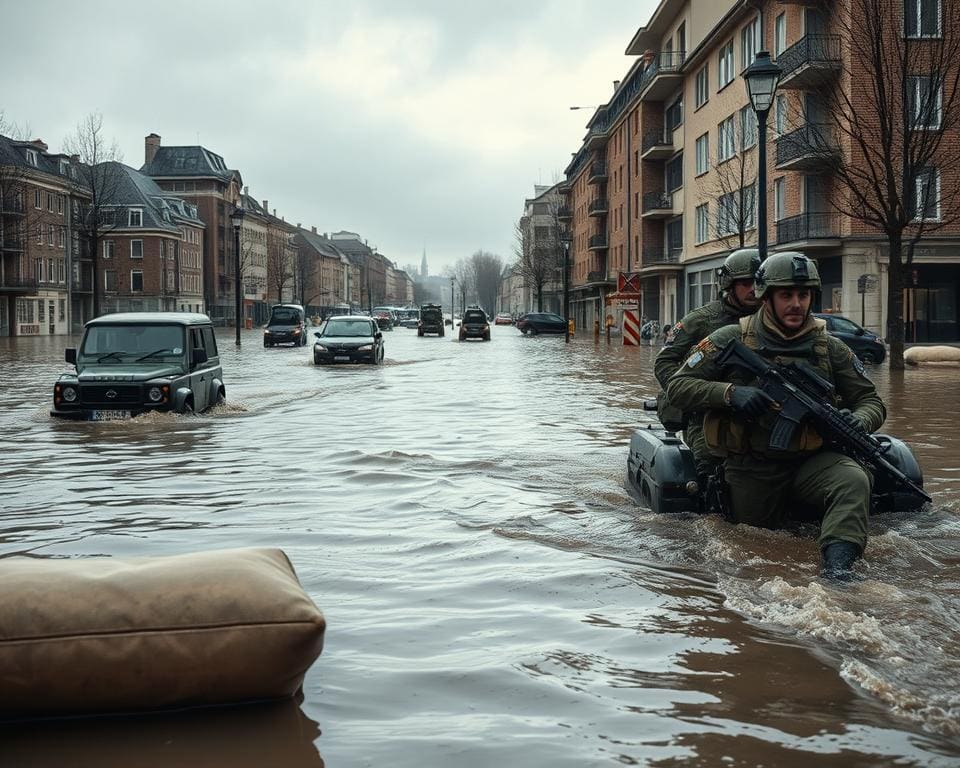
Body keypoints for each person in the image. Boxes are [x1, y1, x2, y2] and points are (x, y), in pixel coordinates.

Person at [666, 251, 886, 578]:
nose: (796, 303)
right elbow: (678, 385)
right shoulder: (730, 338)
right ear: (765, 298)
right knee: (748, 542)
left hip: (812, 461)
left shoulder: (831, 347)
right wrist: (730, 394)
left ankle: (840, 572)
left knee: (853, 478)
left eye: (803, 295)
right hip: (752, 465)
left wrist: (860, 420)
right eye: (786, 295)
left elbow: (871, 400)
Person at [654, 248, 762, 476]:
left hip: (758, 412)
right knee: (709, 474)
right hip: (707, 415)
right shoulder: (701, 320)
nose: (753, 289)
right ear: (729, 284)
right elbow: (665, 362)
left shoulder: (773, 320)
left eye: (757, 281)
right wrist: (693, 393)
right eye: (745, 282)